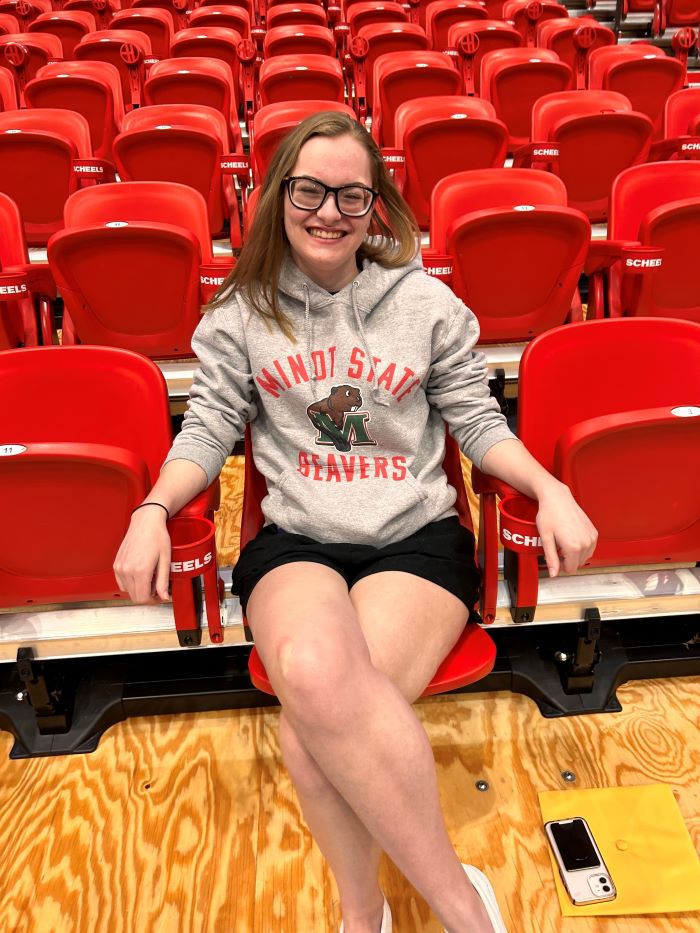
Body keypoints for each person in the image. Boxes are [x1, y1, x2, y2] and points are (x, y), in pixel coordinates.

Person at [114, 111, 597, 933]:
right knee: (308, 665)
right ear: (277, 197)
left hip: (414, 540)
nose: (328, 211)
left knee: (311, 735)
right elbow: (206, 429)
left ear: (378, 207)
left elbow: (478, 423)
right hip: (299, 540)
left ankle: (368, 909)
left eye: (351, 194)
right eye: (309, 189)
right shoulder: (241, 314)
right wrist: (153, 507)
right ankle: (459, 901)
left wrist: (550, 486)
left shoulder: (425, 304)